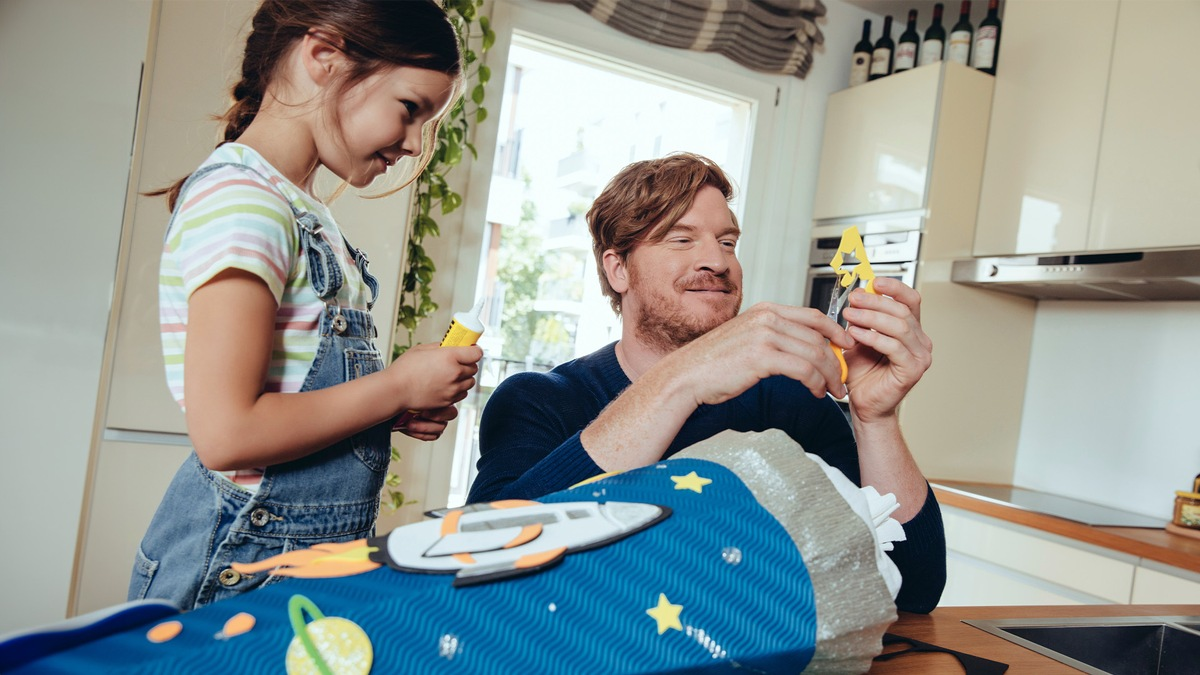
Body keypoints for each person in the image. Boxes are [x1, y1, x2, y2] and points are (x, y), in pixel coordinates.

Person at [468, 152, 945, 612]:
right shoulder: (538, 400)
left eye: (728, 242)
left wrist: (874, 418)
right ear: (618, 270)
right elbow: (484, 561)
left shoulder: (790, 399)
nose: (717, 261)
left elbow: (913, 591)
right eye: (681, 239)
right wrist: (684, 378)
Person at [130, 0, 482, 611]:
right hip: (241, 561)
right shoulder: (246, 202)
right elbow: (228, 433)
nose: (415, 143)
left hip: (290, 561)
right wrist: (396, 387)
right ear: (323, 56)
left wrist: (382, 411)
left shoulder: (298, 210)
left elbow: (287, 393)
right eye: (409, 109)